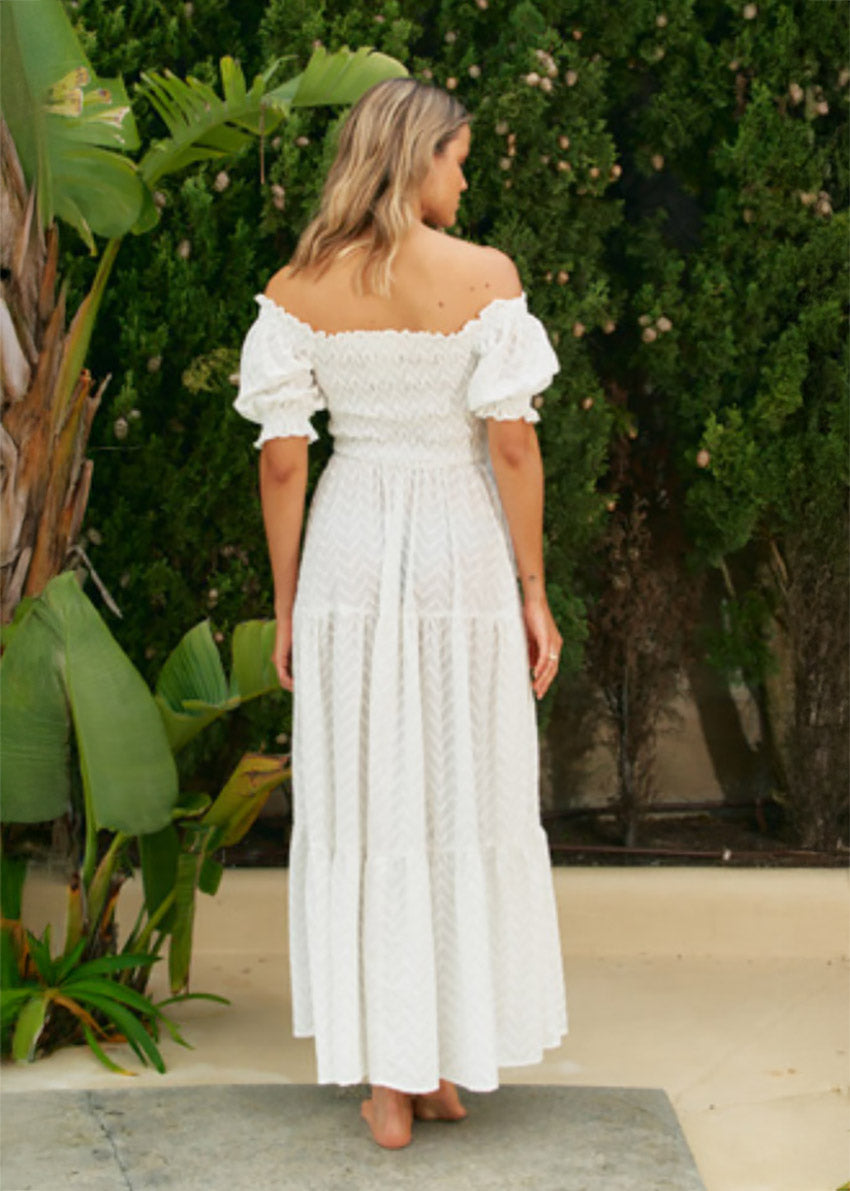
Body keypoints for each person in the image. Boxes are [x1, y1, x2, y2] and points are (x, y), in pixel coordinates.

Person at [233, 76, 569, 1150]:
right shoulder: (485, 279)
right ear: (414, 156)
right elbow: (511, 444)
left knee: (370, 800)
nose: (464, 178)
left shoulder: (296, 288)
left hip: (350, 540)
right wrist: (534, 590)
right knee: (458, 790)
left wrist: (286, 606)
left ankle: (392, 1080)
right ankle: (435, 1068)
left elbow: (283, 463)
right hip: (459, 549)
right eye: (456, 159)